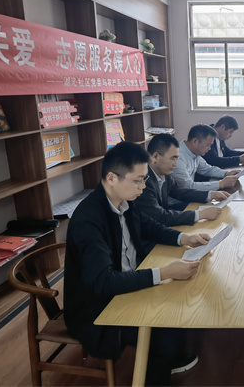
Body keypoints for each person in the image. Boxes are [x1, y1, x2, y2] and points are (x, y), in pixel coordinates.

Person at [64, 142, 212, 386]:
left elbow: (150, 226)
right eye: (138, 181)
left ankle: (167, 360)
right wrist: (164, 272)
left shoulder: (125, 200)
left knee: (181, 308)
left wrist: (185, 238)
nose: (143, 187)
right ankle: (157, 370)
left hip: (127, 282)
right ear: (111, 178)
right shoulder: (88, 219)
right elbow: (103, 282)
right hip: (98, 308)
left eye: (144, 180)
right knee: (165, 333)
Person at [136, 134, 229, 227]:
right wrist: (200, 214)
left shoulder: (164, 173)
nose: (175, 164)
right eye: (173, 159)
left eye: (177, 159)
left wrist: (211, 194)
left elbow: (180, 192)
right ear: (155, 156)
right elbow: (160, 216)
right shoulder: (143, 182)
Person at [172, 124, 241, 191]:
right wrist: (220, 184)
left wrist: (226, 173)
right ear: (195, 141)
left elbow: (208, 169)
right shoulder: (178, 157)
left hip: (190, 194)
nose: (209, 148)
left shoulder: (194, 153)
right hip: (180, 198)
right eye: (208, 145)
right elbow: (188, 186)